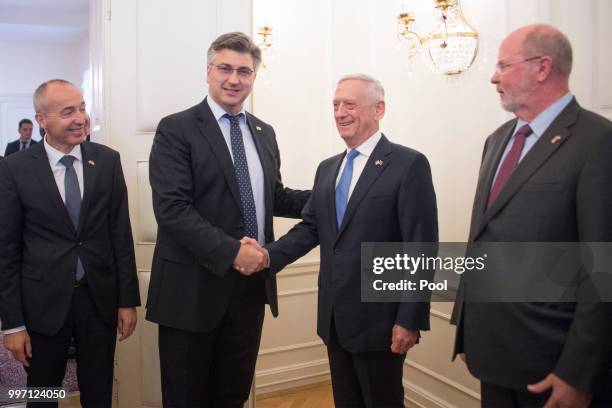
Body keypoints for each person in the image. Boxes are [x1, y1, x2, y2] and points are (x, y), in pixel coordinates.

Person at [241, 74, 438, 407]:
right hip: (334, 318)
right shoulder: (328, 168)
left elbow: (420, 246)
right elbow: (313, 228)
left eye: (350, 104)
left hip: (381, 319)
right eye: (335, 105)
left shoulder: (408, 164)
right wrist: (267, 256)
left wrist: (410, 318)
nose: (340, 112)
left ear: (379, 109)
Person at [451, 24, 612, 407]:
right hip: (491, 353)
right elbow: (482, 241)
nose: (493, 76)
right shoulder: (498, 140)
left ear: (542, 67)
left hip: (552, 364)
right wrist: (466, 330)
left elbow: (603, 266)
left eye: (503, 65)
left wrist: (577, 372)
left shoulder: (597, 141)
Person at [145, 32, 310, 407]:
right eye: (225, 68)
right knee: (186, 399)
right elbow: (173, 209)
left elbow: (274, 197)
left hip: (249, 292)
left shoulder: (264, 132)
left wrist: (334, 193)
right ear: (208, 72)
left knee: (232, 397)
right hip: (191, 292)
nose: (234, 79)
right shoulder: (176, 129)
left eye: (244, 71)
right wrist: (235, 252)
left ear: (253, 78)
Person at [0, 79, 141, 407]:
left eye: (82, 108)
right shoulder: (14, 168)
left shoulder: (107, 161)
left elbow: (120, 235)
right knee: (42, 393)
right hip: (42, 304)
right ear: (41, 119)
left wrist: (127, 300)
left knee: (98, 391)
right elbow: (7, 251)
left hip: (99, 300)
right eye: (68, 112)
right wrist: (13, 324)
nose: (80, 118)